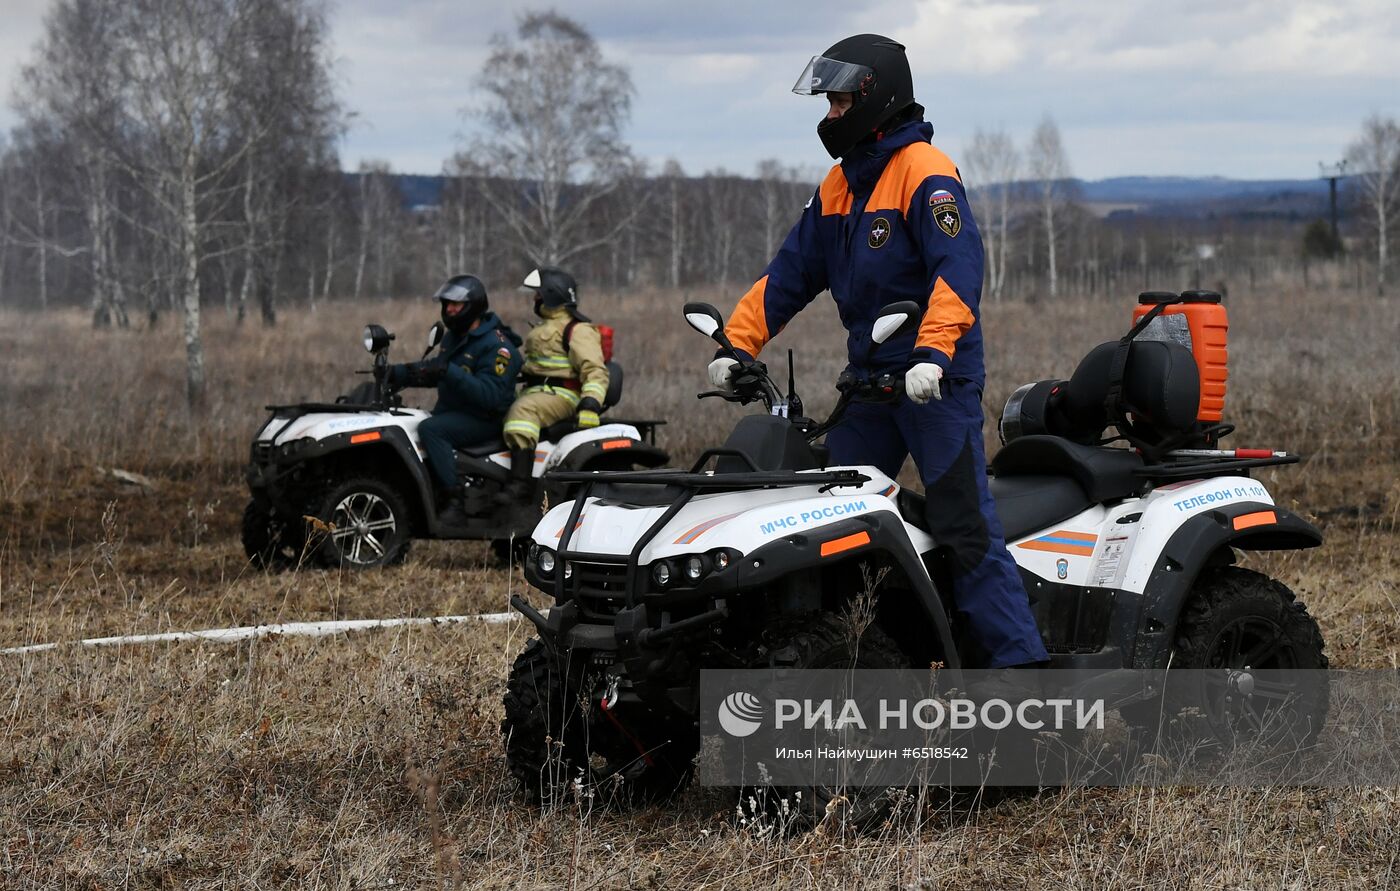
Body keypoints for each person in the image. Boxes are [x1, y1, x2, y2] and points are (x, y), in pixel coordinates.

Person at [708, 34, 1048, 670]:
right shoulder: (839, 186)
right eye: (829, 103)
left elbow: (959, 272)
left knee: (964, 528)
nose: (829, 116)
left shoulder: (927, 173)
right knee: (826, 523)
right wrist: (737, 342)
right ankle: (849, 659)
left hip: (933, 382)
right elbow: (788, 274)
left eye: (839, 103)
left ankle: (1024, 688)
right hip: (869, 387)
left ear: (876, 98)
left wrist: (934, 355)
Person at [389, 274, 523, 527]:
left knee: (432, 429)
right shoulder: (455, 337)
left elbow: (490, 396)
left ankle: (455, 501)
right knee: (411, 421)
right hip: (456, 413)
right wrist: (399, 373)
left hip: (486, 419)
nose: (448, 309)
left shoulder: (498, 347)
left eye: (455, 304)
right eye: (446, 303)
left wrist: (448, 372)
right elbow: (438, 370)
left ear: (472, 306)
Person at [499, 267, 610, 515]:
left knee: (522, 412)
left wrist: (590, 404)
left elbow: (595, 371)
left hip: (564, 396)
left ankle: (520, 484)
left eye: (538, 294)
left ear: (551, 295)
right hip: (538, 392)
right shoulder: (544, 327)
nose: (534, 299)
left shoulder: (577, 330)